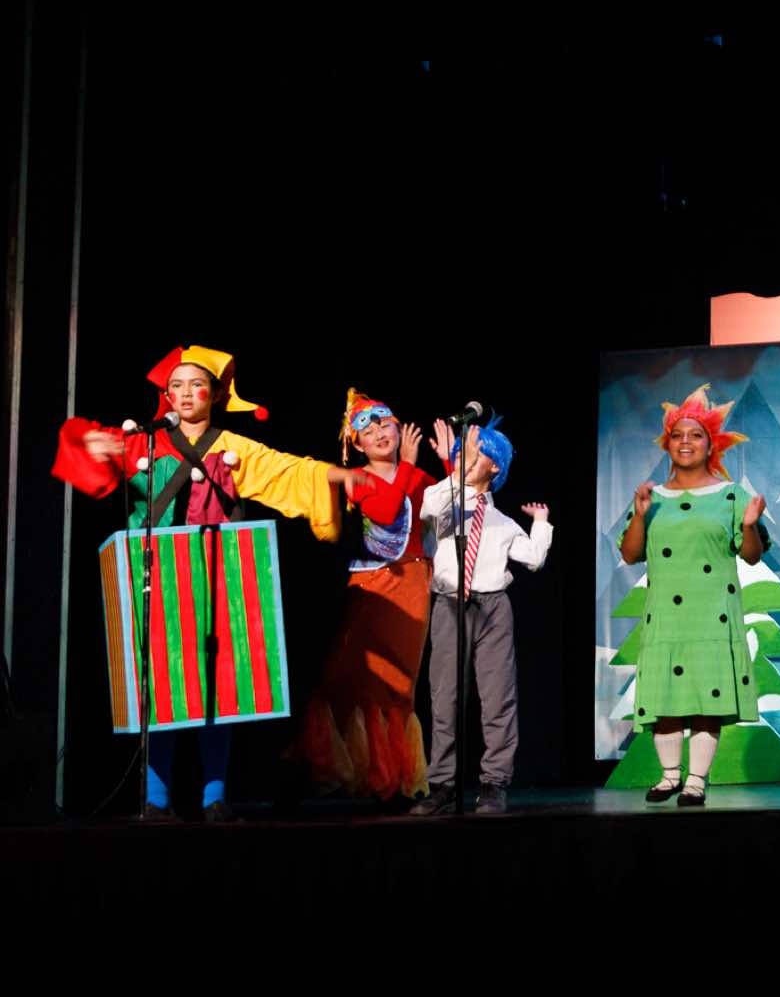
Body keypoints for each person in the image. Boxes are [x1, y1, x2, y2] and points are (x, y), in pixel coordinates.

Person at [51, 344, 365, 820]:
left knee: (218, 687)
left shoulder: (233, 448)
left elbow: (287, 470)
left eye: (195, 384)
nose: (184, 393)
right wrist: (95, 445)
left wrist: (336, 475)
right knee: (162, 687)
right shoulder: (143, 442)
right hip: (157, 577)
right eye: (175, 386)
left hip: (219, 578)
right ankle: (156, 801)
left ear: (216, 394)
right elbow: (78, 440)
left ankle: (214, 797)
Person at [615, 386, 766, 806]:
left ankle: (696, 779)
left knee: (706, 694)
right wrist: (641, 515)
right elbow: (630, 554)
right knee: (666, 693)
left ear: (711, 445)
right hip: (666, 612)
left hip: (713, 611)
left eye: (696, 435)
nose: (686, 442)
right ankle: (668, 776)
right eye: (677, 435)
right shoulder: (653, 498)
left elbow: (752, 555)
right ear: (667, 443)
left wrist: (749, 526)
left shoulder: (730, 495)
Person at [295, 389, 436, 803]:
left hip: (413, 585)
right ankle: (350, 771)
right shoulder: (358, 479)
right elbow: (387, 511)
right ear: (356, 444)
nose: (378, 433)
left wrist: (449, 462)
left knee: (399, 685)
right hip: (374, 588)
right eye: (367, 430)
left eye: (384, 423)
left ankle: (392, 778)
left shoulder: (419, 479)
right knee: (358, 678)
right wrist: (408, 465)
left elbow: (447, 507)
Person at [409, 414, 551, 816]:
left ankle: (494, 783)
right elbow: (427, 507)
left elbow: (534, 559)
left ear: (496, 467)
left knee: (497, 697)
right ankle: (442, 784)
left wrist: (541, 523)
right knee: (445, 697)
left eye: (477, 454)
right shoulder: (446, 503)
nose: (467, 458)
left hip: (492, 607)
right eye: (463, 453)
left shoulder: (503, 522)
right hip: (449, 604)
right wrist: (457, 468)